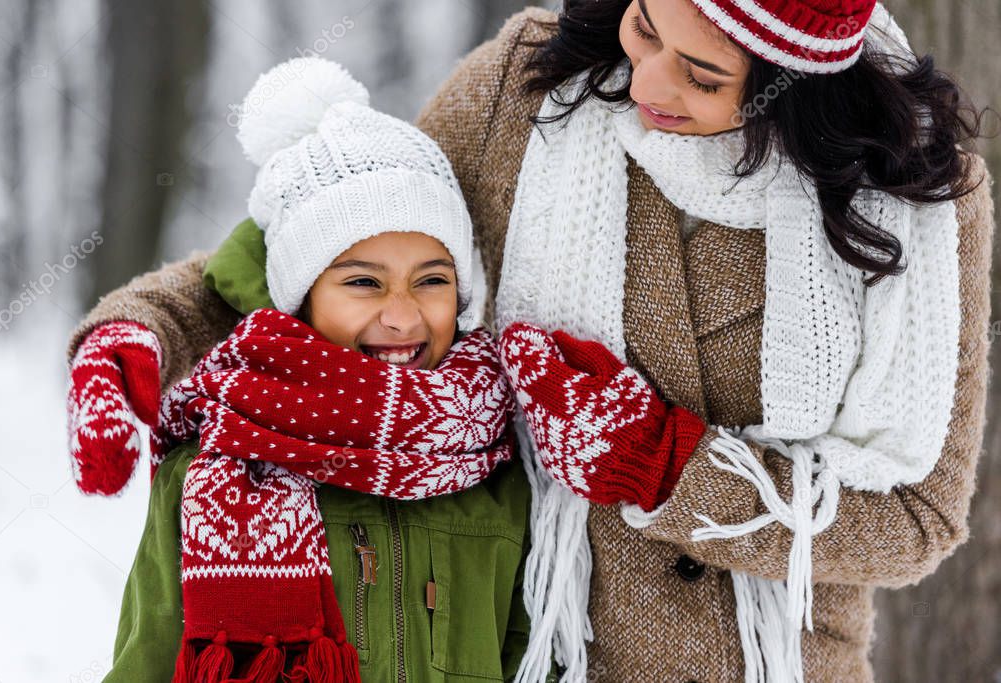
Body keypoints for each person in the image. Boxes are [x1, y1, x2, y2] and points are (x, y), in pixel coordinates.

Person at [67, 1, 995, 680]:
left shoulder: (912, 201)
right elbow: (335, 238)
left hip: (771, 664)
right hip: (536, 648)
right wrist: (139, 332)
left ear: (800, 90)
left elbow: (915, 520)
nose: (646, 84)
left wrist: (661, 465)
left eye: (703, 75)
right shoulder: (530, 90)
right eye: (642, 27)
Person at [76, 58, 536, 682]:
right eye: (362, 283)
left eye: (432, 280)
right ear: (301, 297)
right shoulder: (214, 467)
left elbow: (531, 658)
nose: (402, 317)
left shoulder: (499, 464)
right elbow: (147, 662)